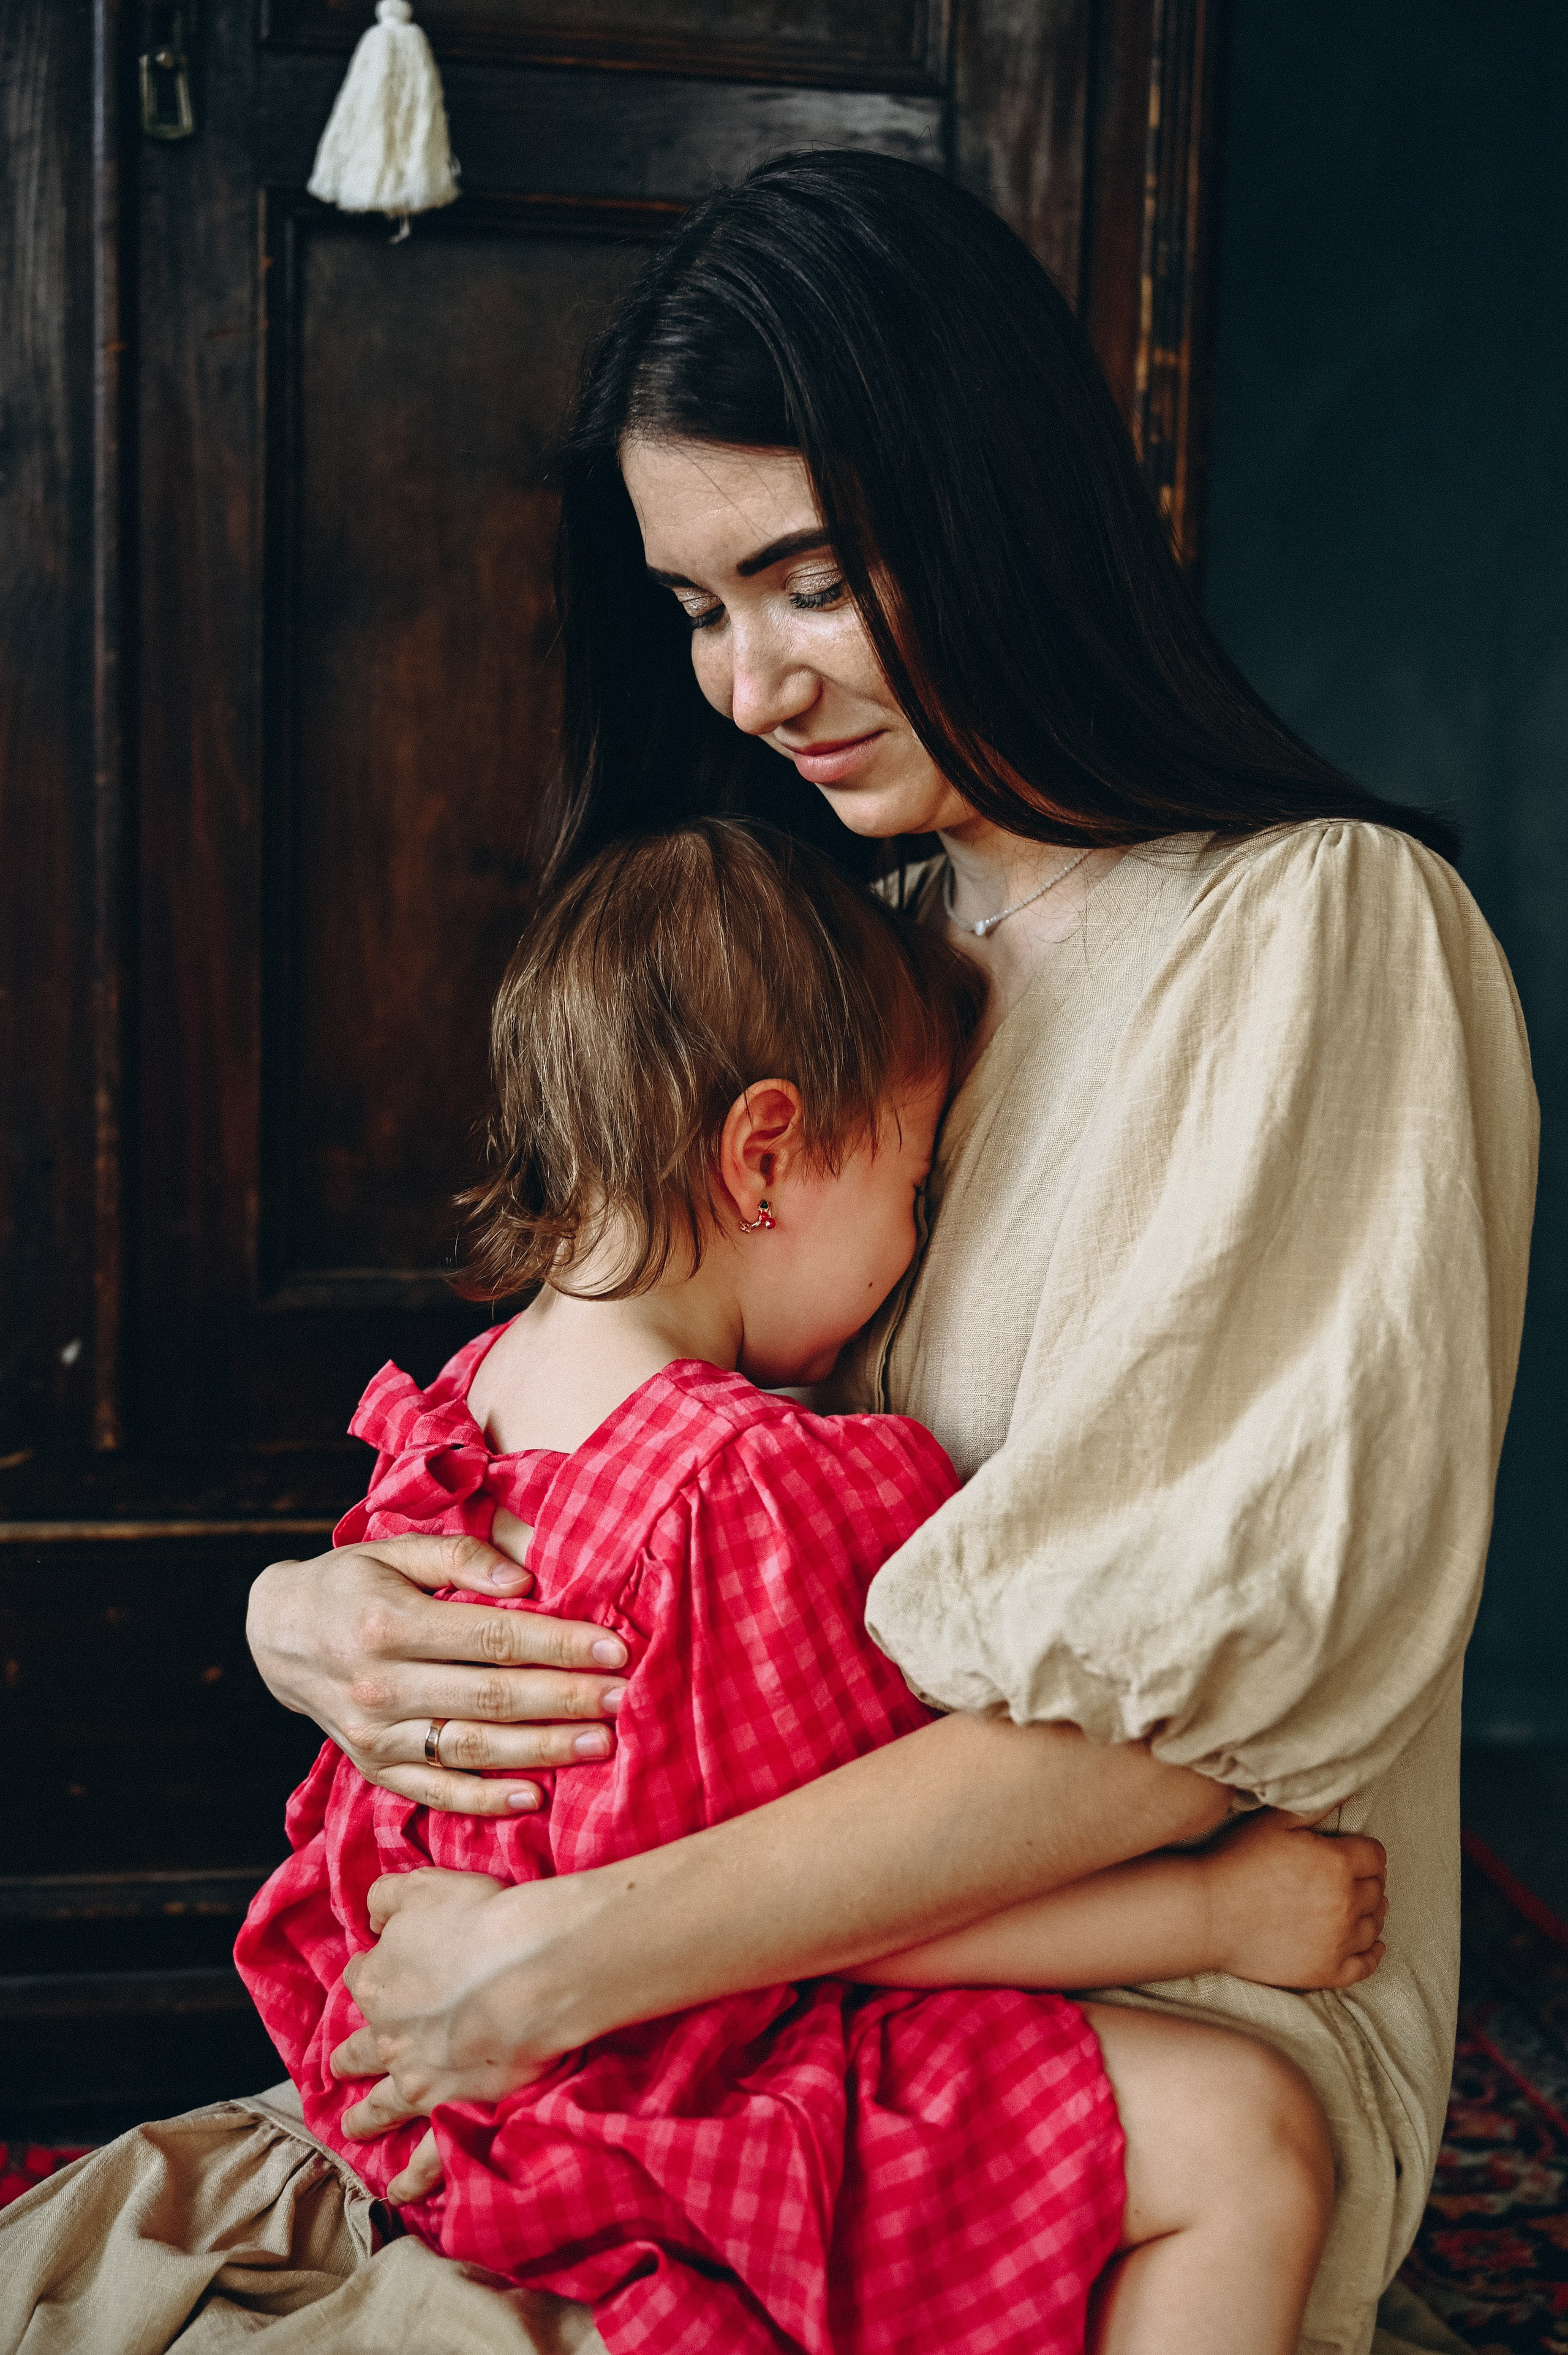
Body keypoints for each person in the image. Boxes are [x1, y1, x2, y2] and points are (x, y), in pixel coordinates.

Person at [0, 151, 1534, 2355]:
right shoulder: (858, 954)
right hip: (757, 1978)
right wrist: (311, 1613)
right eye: (699, 606)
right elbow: (622, 1444)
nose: (746, 683)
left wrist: (571, 1959)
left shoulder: (1315, 935)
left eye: (803, 580)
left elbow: (1173, 1732)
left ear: (994, 504)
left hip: (1158, 1993)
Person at [233, 819, 1387, 2355]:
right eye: (913, 1178)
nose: (911, 1249)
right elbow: (853, 1909)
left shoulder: (459, 1411)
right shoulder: (755, 1494)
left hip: (439, 2104)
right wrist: (1215, 1908)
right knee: (1244, 2133)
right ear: (764, 1156)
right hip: (645, 2095)